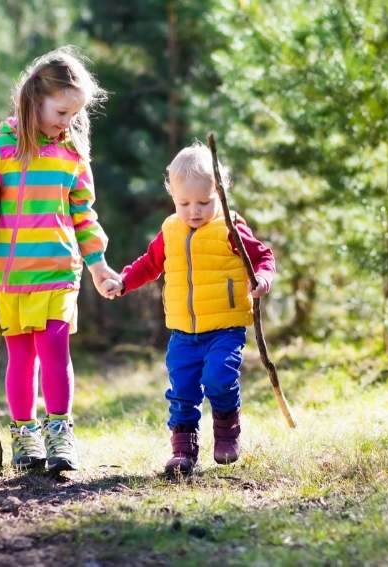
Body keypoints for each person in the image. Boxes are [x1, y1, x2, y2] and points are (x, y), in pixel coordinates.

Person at [0, 46, 118, 472]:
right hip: (9, 277)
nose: (67, 122)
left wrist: (98, 264)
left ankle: (60, 434)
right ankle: (25, 434)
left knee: (54, 351)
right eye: (61, 112)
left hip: (57, 272)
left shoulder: (72, 156)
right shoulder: (0, 149)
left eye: (74, 115)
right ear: (35, 99)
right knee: (21, 357)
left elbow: (84, 216)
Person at [99, 142, 276, 477]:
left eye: (204, 202)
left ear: (220, 193)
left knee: (219, 378)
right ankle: (183, 450)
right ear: (172, 197)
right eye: (184, 203)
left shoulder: (230, 228)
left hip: (224, 326)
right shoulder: (171, 229)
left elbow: (263, 256)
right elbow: (150, 264)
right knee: (182, 390)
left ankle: (226, 431)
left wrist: (263, 280)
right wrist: (123, 281)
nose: (193, 211)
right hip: (183, 331)